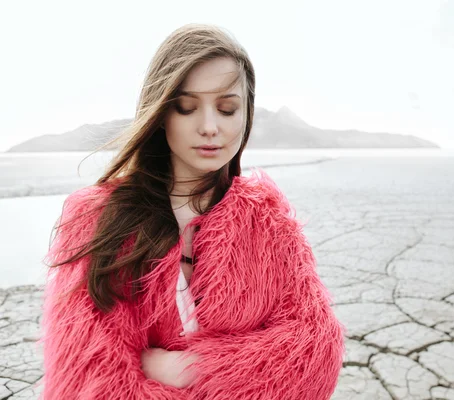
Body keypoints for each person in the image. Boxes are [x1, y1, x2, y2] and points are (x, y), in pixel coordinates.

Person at [39, 23, 346, 400]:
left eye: (228, 108)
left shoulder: (269, 221)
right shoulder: (98, 220)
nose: (209, 127)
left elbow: (317, 350)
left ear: (247, 114)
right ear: (161, 112)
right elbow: (87, 383)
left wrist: (196, 369)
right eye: (186, 107)